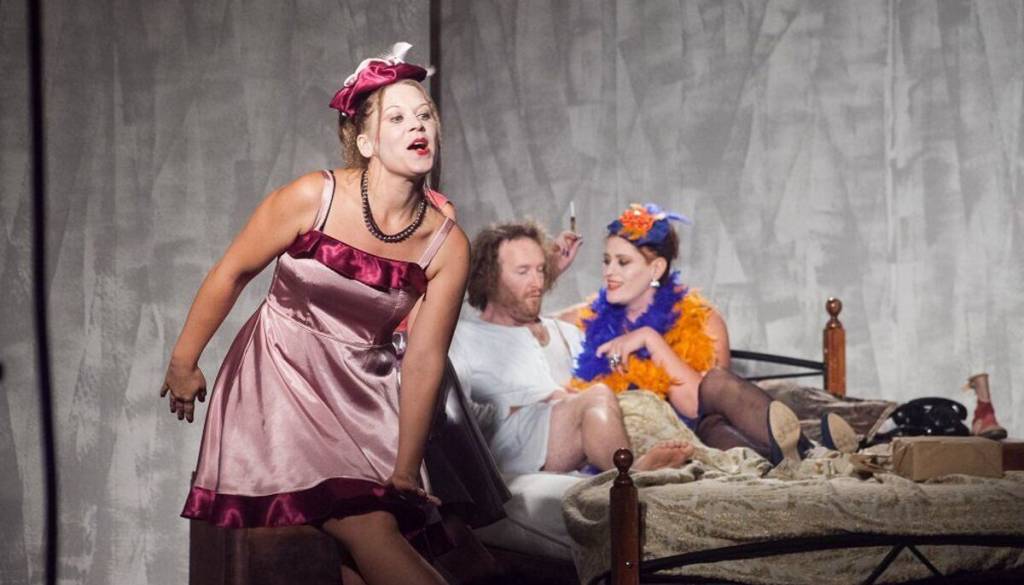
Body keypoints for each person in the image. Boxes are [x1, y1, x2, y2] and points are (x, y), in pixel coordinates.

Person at [160, 43, 468, 585]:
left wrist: (405, 465)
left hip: (363, 397)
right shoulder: (312, 197)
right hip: (278, 381)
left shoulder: (447, 245)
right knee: (368, 525)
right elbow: (231, 273)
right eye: (397, 118)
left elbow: (424, 359)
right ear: (366, 142)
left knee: (368, 543)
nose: (417, 126)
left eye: (424, 116)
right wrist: (184, 362)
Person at [571, 203, 853, 465]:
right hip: (661, 441)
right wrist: (554, 268)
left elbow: (698, 407)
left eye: (622, 262)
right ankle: (816, 457)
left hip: (706, 425)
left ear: (656, 268)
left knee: (715, 399)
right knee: (712, 430)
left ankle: (807, 456)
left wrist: (650, 340)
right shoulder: (590, 316)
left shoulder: (703, 318)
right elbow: (540, 321)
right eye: (606, 260)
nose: (609, 272)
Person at [448, 221, 695, 476]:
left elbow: (606, 375)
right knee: (597, 396)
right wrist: (530, 402)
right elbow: (452, 418)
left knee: (615, 397)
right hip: (513, 446)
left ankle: (626, 471)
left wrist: (646, 343)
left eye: (541, 270)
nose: (537, 283)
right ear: (489, 278)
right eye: (523, 271)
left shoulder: (567, 332)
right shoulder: (463, 338)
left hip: (576, 439)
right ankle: (630, 475)